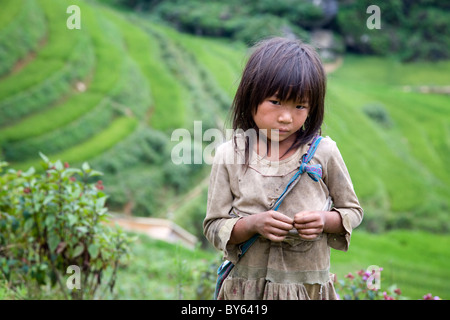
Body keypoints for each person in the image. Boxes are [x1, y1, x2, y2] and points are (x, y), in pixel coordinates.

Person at [203, 37, 363, 300]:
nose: (286, 117)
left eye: (300, 106)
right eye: (276, 102)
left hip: (306, 289)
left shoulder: (324, 152)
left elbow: (352, 211)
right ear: (251, 95)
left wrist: (324, 221)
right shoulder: (229, 155)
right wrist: (253, 225)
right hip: (245, 291)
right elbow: (214, 225)